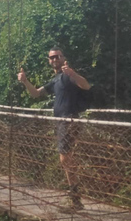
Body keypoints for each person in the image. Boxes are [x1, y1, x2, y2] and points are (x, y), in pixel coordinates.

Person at [17, 47, 91, 211]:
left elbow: (86, 86)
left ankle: (75, 197)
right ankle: (75, 197)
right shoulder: (56, 79)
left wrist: (72, 73)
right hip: (60, 121)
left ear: (63, 58)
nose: (54, 59)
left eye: (57, 56)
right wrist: (25, 81)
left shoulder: (68, 75)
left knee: (65, 158)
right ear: (49, 61)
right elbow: (36, 94)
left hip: (69, 120)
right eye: (51, 57)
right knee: (65, 158)